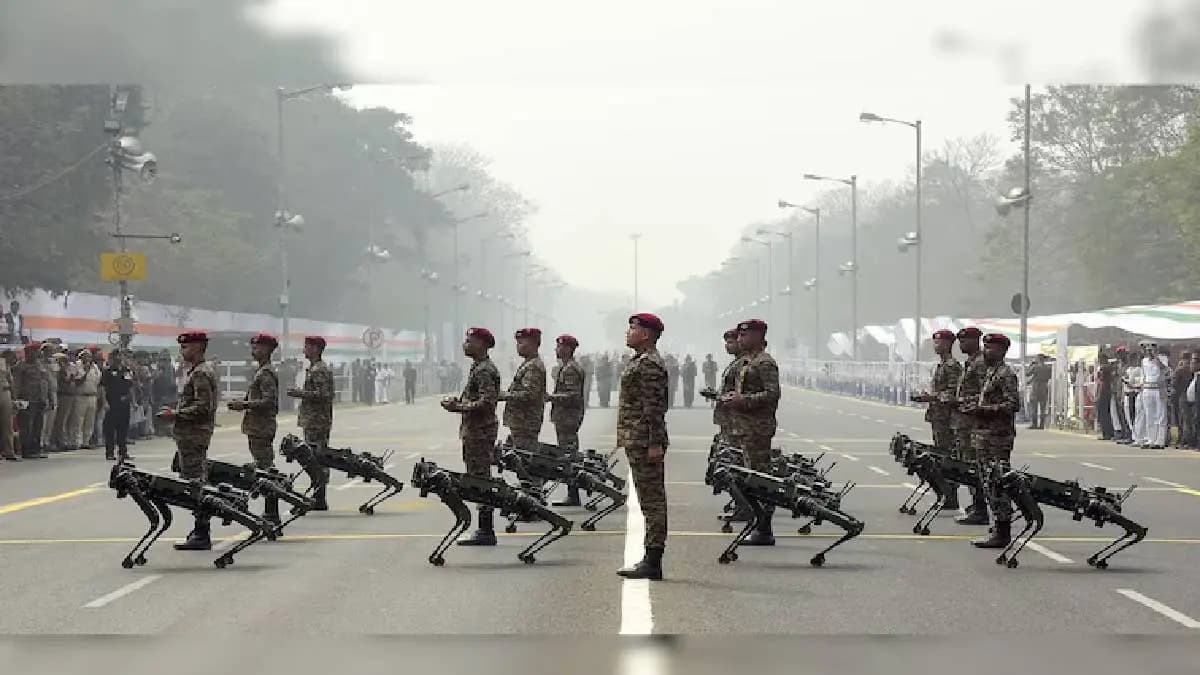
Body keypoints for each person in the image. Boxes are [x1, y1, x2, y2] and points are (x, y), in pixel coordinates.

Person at [616, 313, 669, 580]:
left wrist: (654, 443)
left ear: (646, 334)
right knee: (648, 501)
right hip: (636, 439)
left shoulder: (649, 365)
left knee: (653, 502)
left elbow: (654, 408)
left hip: (644, 440)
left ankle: (653, 560)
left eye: (633, 328)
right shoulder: (640, 361)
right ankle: (650, 558)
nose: (628, 332)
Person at [441, 327, 502, 546]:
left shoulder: (484, 370)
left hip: (480, 431)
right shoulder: (478, 367)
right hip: (476, 430)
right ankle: (484, 528)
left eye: (470, 341)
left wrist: (458, 407)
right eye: (465, 340)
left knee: (479, 480)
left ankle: (486, 530)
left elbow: (487, 403)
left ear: (483, 344)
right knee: (478, 478)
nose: (465, 344)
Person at [158, 332, 219, 551]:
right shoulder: (197, 371)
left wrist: (176, 414)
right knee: (194, 481)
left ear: (198, 347)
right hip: (192, 434)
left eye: (186, 347)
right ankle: (200, 530)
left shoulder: (201, 373)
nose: (183, 351)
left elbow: (204, 407)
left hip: (194, 435)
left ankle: (202, 532)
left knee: (195, 484)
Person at [723, 319, 781, 546]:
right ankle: (758, 525)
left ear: (758, 336)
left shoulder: (765, 363)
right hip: (746, 428)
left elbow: (772, 394)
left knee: (760, 480)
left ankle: (764, 530)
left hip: (758, 429)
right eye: (739, 336)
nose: (740, 340)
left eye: (744, 336)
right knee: (752, 479)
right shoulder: (748, 361)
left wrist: (742, 400)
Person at [965, 333, 1021, 549]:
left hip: (997, 436)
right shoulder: (991, 373)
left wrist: (983, 410)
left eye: (991, 348)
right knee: (989, 482)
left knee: (998, 481)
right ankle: (998, 526)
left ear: (1002, 351)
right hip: (984, 434)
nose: (986, 351)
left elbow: (1012, 404)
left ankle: (1003, 530)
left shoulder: (1005, 374)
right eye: (985, 347)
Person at [227, 333, 280, 525]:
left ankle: (272, 512)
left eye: (257, 347)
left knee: (266, 470)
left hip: (261, 426)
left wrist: (245, 405)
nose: (253, 350)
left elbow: (269, 401)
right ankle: (270, 511)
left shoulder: (265, 374)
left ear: (266, 349)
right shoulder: (262, 371)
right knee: (263, 468)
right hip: (258, 426)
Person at [288, 336, 335, 510]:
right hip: (315, 420)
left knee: (315, 459)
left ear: (316, 349)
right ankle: (318, 497)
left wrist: (300, 393)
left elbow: (323, 394)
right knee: (315, 459)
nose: (304, 349)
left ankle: (319, 498)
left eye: (307, 346)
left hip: (317, 421)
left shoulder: (318, 370)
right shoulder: (316, 368)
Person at [951, 327, 988, 525]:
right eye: (960, 341)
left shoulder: (980, 363)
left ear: (976, 341)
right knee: (968, 466)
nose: (961, 345)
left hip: (973, 423)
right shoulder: (971, 362)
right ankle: (977, 504)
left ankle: (981, 509)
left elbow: (985, 392)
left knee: (973, 467)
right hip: (965, 422)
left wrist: (962, 401)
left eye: (965, 341)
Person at [548, 334, 586, 506]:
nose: (557, 350)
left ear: (568, 349)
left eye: (559, 347)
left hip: (568, 416)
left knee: (568, 455)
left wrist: (552, 397)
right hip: (566, 416)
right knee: (568, 454)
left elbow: (573, 395)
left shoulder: (570, 369)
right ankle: (573, 493)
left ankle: (573, 494)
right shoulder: (566, 367)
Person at [912, 329, 964, 453]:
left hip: (947, 417)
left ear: (947, 344)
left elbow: (954, 392)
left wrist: (931, 397)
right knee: (940, 449)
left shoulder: (952, 366)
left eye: (938, 343)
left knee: (947, 452)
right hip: (939, 415)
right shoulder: (942, 364)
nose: (935, 346)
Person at [499, 328, 547, 451]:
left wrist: (504, 395)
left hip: (526, 422)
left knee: (525, 459)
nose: (518, 347)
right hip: (522, 421)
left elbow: (528, 394)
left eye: (521, 343)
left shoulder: (533, 366)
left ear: (532, 345)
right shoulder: (529, 363)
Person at [13, 343, 49, 459]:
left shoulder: (40, 365)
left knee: (38, 426)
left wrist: (47, 397)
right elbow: (16, 384)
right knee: (26, 427)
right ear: (29, 353)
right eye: (35, 351)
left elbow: (45, 382)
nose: (38, 353)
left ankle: (36, 449)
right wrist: (16, 399)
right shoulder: (21, 366)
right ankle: (26, 450)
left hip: (40, 399)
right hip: (27, 400)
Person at [100, 349, 135, 461]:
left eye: (120, 356)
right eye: (117, 356)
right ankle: (109, 452)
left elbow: (130, 386)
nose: (119, 358)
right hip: (112, 402)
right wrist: (105, 402)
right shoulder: (108, 371)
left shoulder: (126, 370)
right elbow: (102, 387)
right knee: (110, 429)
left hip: (124, 403)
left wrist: (133, 401)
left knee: (123, 428)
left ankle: (123, 452)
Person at [1139, 341, 1168, 449]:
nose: (1150, 351)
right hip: (1148, 389)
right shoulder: (1144, 361)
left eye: (1152, 349)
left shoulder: (1162, 359)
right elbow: (1144, 375)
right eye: (1148, 349)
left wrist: (1156, 358)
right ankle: (1150, 439)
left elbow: (1163, 368)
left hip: (1159, 389)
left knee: (1161, 415)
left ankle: (1160, 441)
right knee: (1149, 415)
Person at [1027, 354, 1052, 429]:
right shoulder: (1048, 368)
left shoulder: (1035, 367)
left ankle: (1034, 424)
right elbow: (1049, 376)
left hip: (1035, 387)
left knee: (1033, 407)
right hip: (1044, 387)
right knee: (1043, 408)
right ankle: (1042, 425)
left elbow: (1027, 374)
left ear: (1038, 359)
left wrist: (1031, 365)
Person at [0, 351, 15, 460]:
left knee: (8, 424)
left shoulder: (4, 363)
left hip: (5, 392)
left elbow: (10, 380)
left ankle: (9, 451)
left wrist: (14, 397)